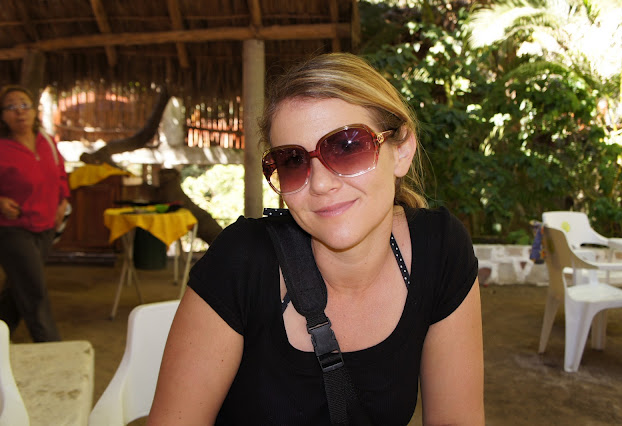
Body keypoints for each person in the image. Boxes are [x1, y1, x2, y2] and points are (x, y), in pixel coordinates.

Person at [148, 53, 484, 425]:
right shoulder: (242, 262)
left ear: (401, 150)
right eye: (293, 161)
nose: (321, 183)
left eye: (347, 146)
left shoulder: (439, 250)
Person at [0, 85, 70, 342]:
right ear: (2, 116)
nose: (19, 112)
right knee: (34, 291)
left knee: (16, 293)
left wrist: (63, 202)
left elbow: (61, 176)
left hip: (45, 227)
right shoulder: (2, 147)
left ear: (34, 111)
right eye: (11, 106)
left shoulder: (47, 143)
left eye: (24, 105)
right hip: (12, 230)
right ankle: (53, 351)